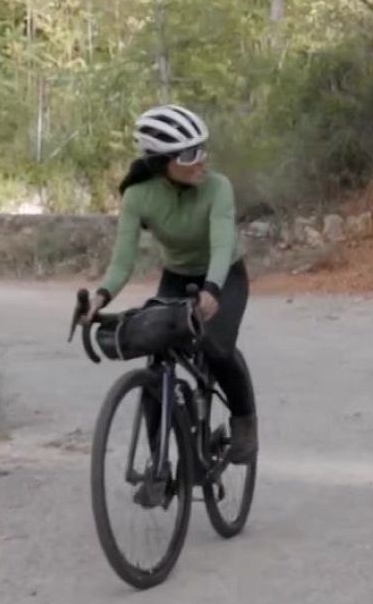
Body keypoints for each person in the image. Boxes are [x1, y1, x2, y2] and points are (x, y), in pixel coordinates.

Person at [86, 104, 257, 462]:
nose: (202, 160)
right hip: (178, 277)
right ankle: (158, 465)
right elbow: (123, 259)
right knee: (158, 354)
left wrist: (212, 289)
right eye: (191, 154)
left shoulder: (217, 187)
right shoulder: (137, 197)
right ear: (163, 161)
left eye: (203, 149)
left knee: (216, 347)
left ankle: (244, 423)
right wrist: (100, 297)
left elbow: (223, 243)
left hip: (224, 275)